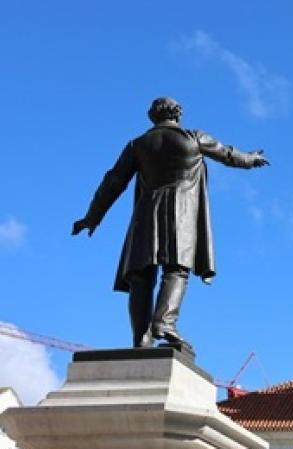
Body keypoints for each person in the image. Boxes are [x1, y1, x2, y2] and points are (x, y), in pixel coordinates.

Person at [72, 96, 269, 350]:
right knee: (176, 270)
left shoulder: (138, 145)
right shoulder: (194, 137)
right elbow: (228, 154)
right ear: (178, 114)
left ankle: (141, 338)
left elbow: (113, 181)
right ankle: (165, 322)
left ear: (152, 116)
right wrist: (251, 158)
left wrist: (92, 216)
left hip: (146, 213)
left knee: (141, 276)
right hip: (182, 211)